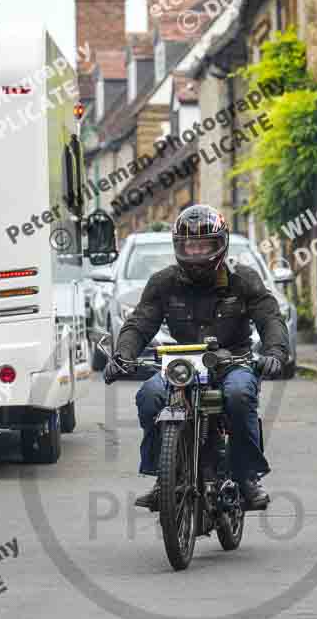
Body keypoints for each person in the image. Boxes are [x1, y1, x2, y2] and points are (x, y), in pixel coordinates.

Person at [104, 204, 290, 510]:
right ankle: (164, 479)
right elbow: (140, 323)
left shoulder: (243, 279)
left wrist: (275, 352)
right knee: (150, 395)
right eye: (190, 245)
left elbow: (270, 318)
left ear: (220, 245)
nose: (197, 252)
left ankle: (246, 478)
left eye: (204, 245)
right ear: (179, 247)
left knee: (239, 394)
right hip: (184, 364)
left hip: (234, 360)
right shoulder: (163, 282)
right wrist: (122, 355)